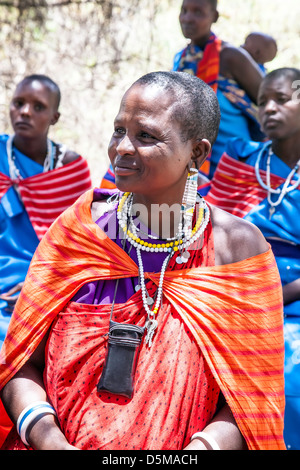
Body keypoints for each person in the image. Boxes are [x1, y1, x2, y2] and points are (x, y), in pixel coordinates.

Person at [0, 71, 285, 450]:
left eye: (146, 136)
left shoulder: (236, 251)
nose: (123, 147)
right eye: (119, 130)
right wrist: (50, 441)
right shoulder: (80, 232)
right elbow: (20, 364)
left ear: (197, 153)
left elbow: (252, 399)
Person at [205, 67, 300, 450]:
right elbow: (210, 234)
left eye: (282, 99)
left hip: (291, 301)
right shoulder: (241, 161)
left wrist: (275, 297)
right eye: (262, 102)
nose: (269, 109)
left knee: (287, 367)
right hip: (235, 294)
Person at [0, 74, 92, 445]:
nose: (25, 112)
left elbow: (83, 243)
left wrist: (44, 283)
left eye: (38, 107)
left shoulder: (71, 168)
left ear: (55, 117)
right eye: (19, 103)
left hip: (51, 289)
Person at [172, 0, 265, 178]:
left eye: (198, 12)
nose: (187, 18)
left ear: (214, 17)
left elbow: (270, 98)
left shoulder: (231, 56)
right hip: (196, 163)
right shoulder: (182, 59)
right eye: (184, 11)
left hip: (237, 164)